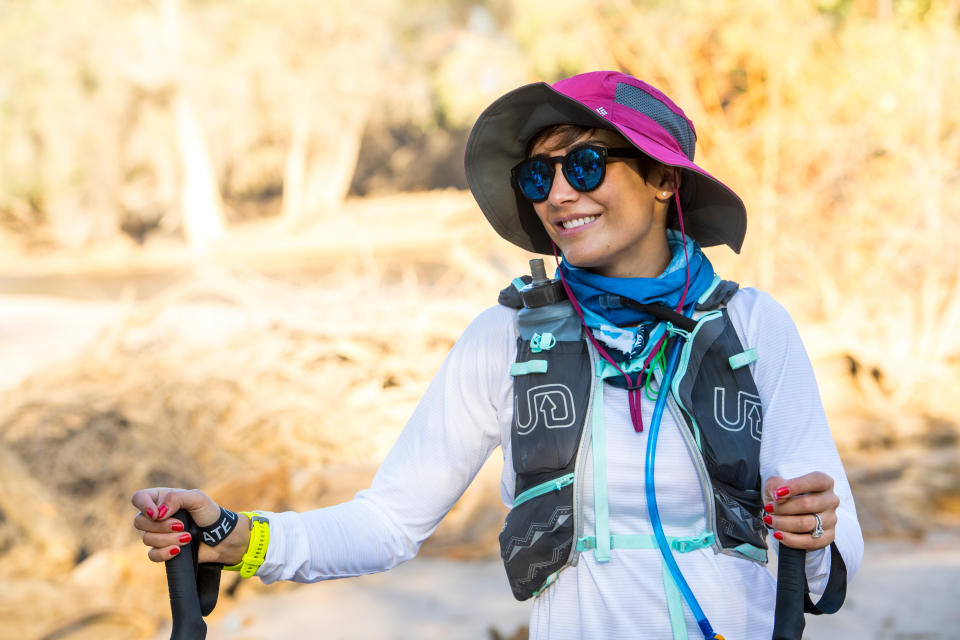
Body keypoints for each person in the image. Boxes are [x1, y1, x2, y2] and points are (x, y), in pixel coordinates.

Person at [133, 70, 862, 639]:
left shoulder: (754, 327)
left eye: (583, 164)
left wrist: (817, 533)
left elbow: (837, 556)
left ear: (663, 178)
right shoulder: (506, 339)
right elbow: (389, 522)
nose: (557, 195)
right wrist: (236, 538)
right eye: (537, 176)